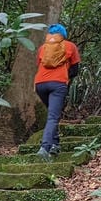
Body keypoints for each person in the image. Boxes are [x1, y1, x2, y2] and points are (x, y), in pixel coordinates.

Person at [34, 23, 81, 158]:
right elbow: (75, 70)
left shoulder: (43, 48)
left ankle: (55, 144)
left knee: (52, 114)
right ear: (63, 34)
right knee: (53, 116)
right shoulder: (70, 46)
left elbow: (40, 65)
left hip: (40, 84)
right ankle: (45, 148)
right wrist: (66, 75)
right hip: (58, 84)